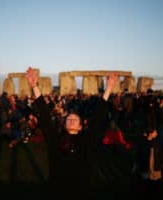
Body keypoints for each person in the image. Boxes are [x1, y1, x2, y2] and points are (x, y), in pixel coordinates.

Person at [25, 67, 118, 199]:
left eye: (75, 119)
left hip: (82, 190)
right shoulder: (56, 140)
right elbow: (45, 118)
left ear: (81, 126)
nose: (72, 121)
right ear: (64, 124)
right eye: (69, 119)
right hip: (58, 190)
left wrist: (108, 89)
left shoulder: (87, 140)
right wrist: (34, 86)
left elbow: (98, 119)